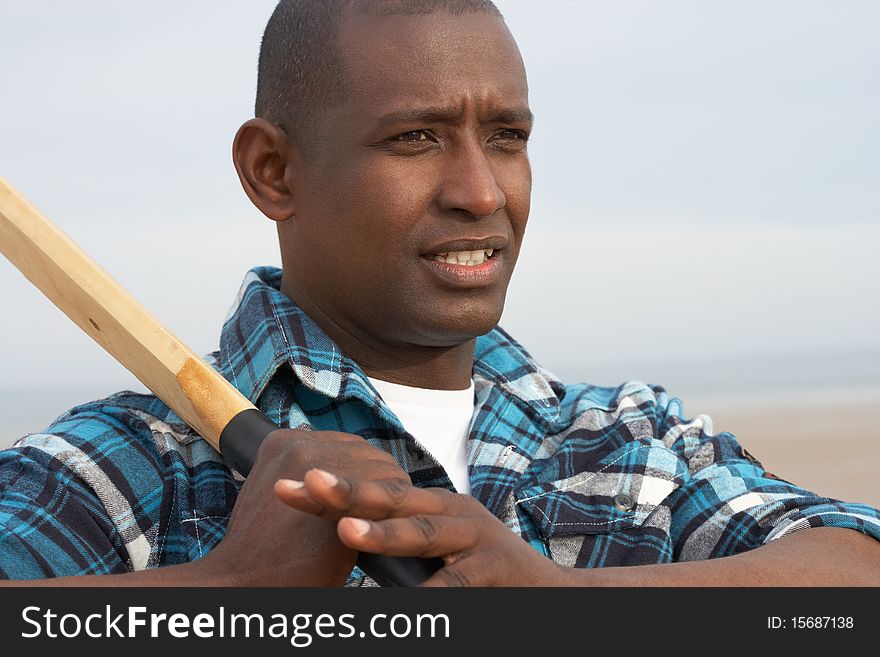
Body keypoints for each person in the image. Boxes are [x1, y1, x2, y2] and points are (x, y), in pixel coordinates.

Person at [1, 0, 878, 587]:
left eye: (505, 135)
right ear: (273, 171)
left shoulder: (630, 446)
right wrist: (224, 592)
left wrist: (560, 603)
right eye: (415, 137)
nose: (482, 192)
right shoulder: (130, 467)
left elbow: (853, 569)